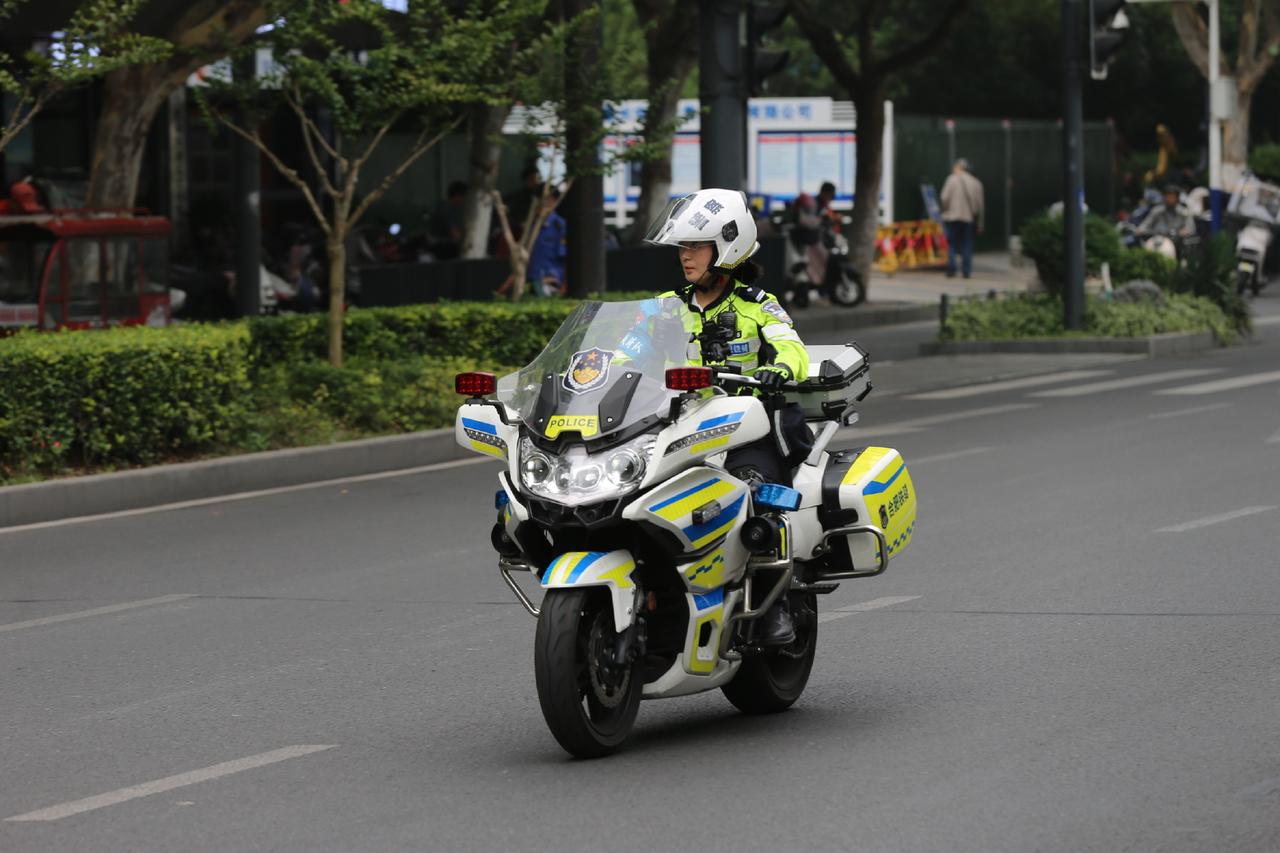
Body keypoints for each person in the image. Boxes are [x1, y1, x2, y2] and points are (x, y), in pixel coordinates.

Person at [644, 188, 812, 645]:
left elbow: (792, 347)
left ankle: (773, 606)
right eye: (682, 246)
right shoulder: (666, 307)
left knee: (756, 497)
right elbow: (623, 355)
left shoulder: (757, 304)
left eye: (695, 246)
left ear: (728, 247)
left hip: (745, 429)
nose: (685, 256)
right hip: (675, 428)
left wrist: (779, 369)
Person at [941, 158, 984, 278]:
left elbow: (944, 198)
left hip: (952, 217)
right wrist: (980, 223)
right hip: (968, 218)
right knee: (967, 244)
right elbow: (980, 206)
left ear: (958, 167)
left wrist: (946, 210)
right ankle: (966, 271)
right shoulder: (976, 183)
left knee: (951, 243)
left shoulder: (951, 179)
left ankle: (952, 268)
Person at [429, 180, 468, 260]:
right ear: (457, 195)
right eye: (463, 196)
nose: (464, 200)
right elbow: (454, 233)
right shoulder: (446, 209)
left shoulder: (453, 209)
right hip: (441, 249)